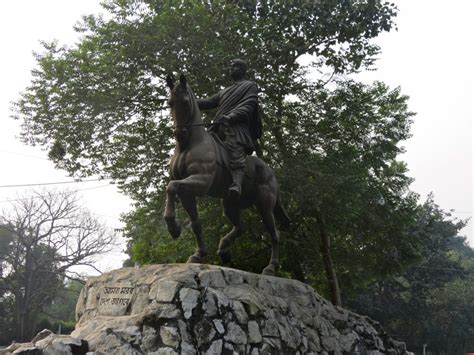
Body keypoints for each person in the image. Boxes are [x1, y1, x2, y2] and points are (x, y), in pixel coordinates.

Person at [196, 59, 259, 200]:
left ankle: (237, 183)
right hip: (218, 128)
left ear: (243, 69)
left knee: (235, 148)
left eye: (235, 66)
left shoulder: (250, 86)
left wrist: (231, 117)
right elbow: (208, 102)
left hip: (236, 126)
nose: (231, 68)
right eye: (230, 66)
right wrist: (188, 99)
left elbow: (248, 105)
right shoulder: (224, 91)